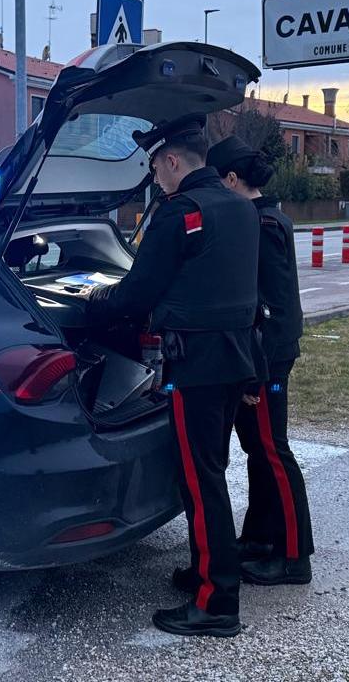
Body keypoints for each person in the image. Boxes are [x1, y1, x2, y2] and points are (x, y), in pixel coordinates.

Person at [85, 115, 259, 638]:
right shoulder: (241, 207)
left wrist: (93, 301)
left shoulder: (180, 213)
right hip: (236, 360)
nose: (156, 177)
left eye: (156, 165)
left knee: (200, 479)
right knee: (211, 471)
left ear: (172, 160)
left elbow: (138, 293)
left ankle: (216, 603)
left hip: (197, 365)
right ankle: (208, 573)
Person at [205, 136, 314, 586]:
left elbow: (269, 304)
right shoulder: (269, 216)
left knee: (272, 450)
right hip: (266, 352)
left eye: (216, 183)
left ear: (232, 179)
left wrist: (258, 369)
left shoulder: (261, 225)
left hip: (267, 357)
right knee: (257, 449)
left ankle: (293, 556)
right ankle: (258, 537)